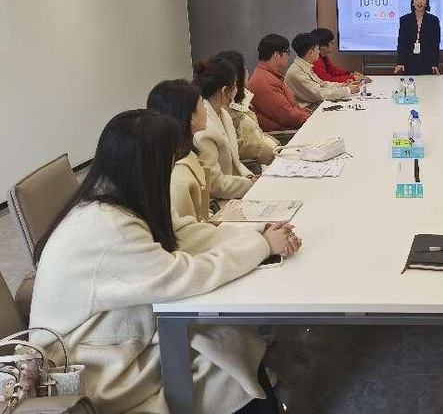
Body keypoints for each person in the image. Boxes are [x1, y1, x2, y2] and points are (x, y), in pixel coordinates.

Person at [29, 110, 301, 413]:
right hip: (91, 364)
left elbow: (182, 232)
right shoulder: (109, 227)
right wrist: (261, 246)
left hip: (110, 333)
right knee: (225, 358)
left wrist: (258, 234)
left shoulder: (114, 194)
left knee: (228, 340)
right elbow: (181, 276)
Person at [147, 79, 212, 221]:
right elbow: (190, 230)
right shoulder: (178, 176)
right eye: (202, 103)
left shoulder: (180, 152)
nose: (206, 109)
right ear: (190, 116)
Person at [193, 57, 255, 200]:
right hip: (222, 199)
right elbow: (214, 184)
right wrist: (249, 184)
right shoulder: (205, 128)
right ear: (224, 91)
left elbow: (236, 164)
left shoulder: (223, 114)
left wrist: (250, 178)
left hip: (236, 188)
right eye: (235, 85)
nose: (237, 89)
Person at [217, 50, 281, 167]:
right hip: (256, 164)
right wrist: (271, 151)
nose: (247, 72)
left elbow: (257, 133)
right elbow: (238, 146)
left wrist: (277, 147)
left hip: (269, 155)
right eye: (244, 69)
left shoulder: (242, 99)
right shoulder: (224, 110)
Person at [248, 34, 311, 132]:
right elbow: (287, 115)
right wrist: (310, 117)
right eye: (287, 52)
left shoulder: (268, 75)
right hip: (285, 134)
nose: (288, 56)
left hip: (291, 126)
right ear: (276, 54)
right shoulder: (264, 80)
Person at [285, 32, 359, 109]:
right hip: (309, 111)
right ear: (310, 53)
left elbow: (322, 83)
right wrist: (347, 90)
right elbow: (319, 94)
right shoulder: (296, 73)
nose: (319, 52)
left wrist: (343, 85)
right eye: (317, 49)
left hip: (315, 106)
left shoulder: (304, 65)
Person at [394, 0, 441, 76]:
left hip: (427, 61)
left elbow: (435, 44)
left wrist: (434, 64)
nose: (419, 2)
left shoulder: (433, 20)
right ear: (412, 2)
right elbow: (401, 43)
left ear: (426, 3)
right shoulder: (405, 20)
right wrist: (400, 62)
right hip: (409, 62)